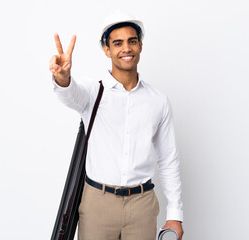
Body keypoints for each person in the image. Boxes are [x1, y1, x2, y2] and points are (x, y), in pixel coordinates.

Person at [49, 11, 184, 240]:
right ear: (107, 50)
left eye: (132, 41)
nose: (126, 49)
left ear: (140, 45)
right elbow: (70, 94)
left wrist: (175, 214)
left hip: (142, 205)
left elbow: (168, 159)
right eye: (117, 43)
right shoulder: (93, 92)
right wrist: (63, 78)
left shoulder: (158, 101)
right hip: (97, 203)